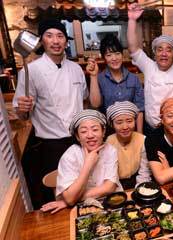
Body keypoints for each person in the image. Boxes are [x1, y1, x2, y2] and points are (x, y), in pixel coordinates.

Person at [13, 19, 88, 209]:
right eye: (49, 35)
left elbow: (85, 100)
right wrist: (22, 110)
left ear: (66, 41)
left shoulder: (76, 69)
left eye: (60, 36)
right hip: (51, 146)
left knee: (82, 189)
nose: (55, 41)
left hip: (79, 141)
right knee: (57, 197)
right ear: (42, 41)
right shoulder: (31, 71)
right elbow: (23, 116)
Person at [127, 3, 173, 136]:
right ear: (154, 53)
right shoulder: (149, 66)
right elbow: (133, 48)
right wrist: (132, 20)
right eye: (160, 49)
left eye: (168, 50)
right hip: (150, 127)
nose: (164, 53)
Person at [41, 110, 122, 214]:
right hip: (82, 209)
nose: (90, 135)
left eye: (95, 129)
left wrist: (70, 201)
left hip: (112, 202)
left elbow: (109, 188)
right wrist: (87, 166)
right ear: (78, 136)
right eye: (83, 131)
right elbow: (70, 198)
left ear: (103, 132)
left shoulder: (110, 150)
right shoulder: (70, 156)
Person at [87, 34, 144, 132]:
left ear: (122, 54)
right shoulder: (100, 78)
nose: (114, 58)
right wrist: (93, 76)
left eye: (117, 53)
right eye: (109, 55)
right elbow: (95, 104)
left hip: (130, 130)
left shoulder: (133, 79)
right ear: (104, 58)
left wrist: (139, 136)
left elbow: (139, 109)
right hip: (108, 131)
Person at [106, 101, 151, 189]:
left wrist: (140, 190)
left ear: (135, 121)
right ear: (112, 125)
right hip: (114, 184)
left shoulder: (143, 140)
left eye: (129, 121)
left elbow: (144, 172)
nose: (125, 127)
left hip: (138, 180)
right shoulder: (108, 142)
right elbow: (109, 175)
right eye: (119, 122)